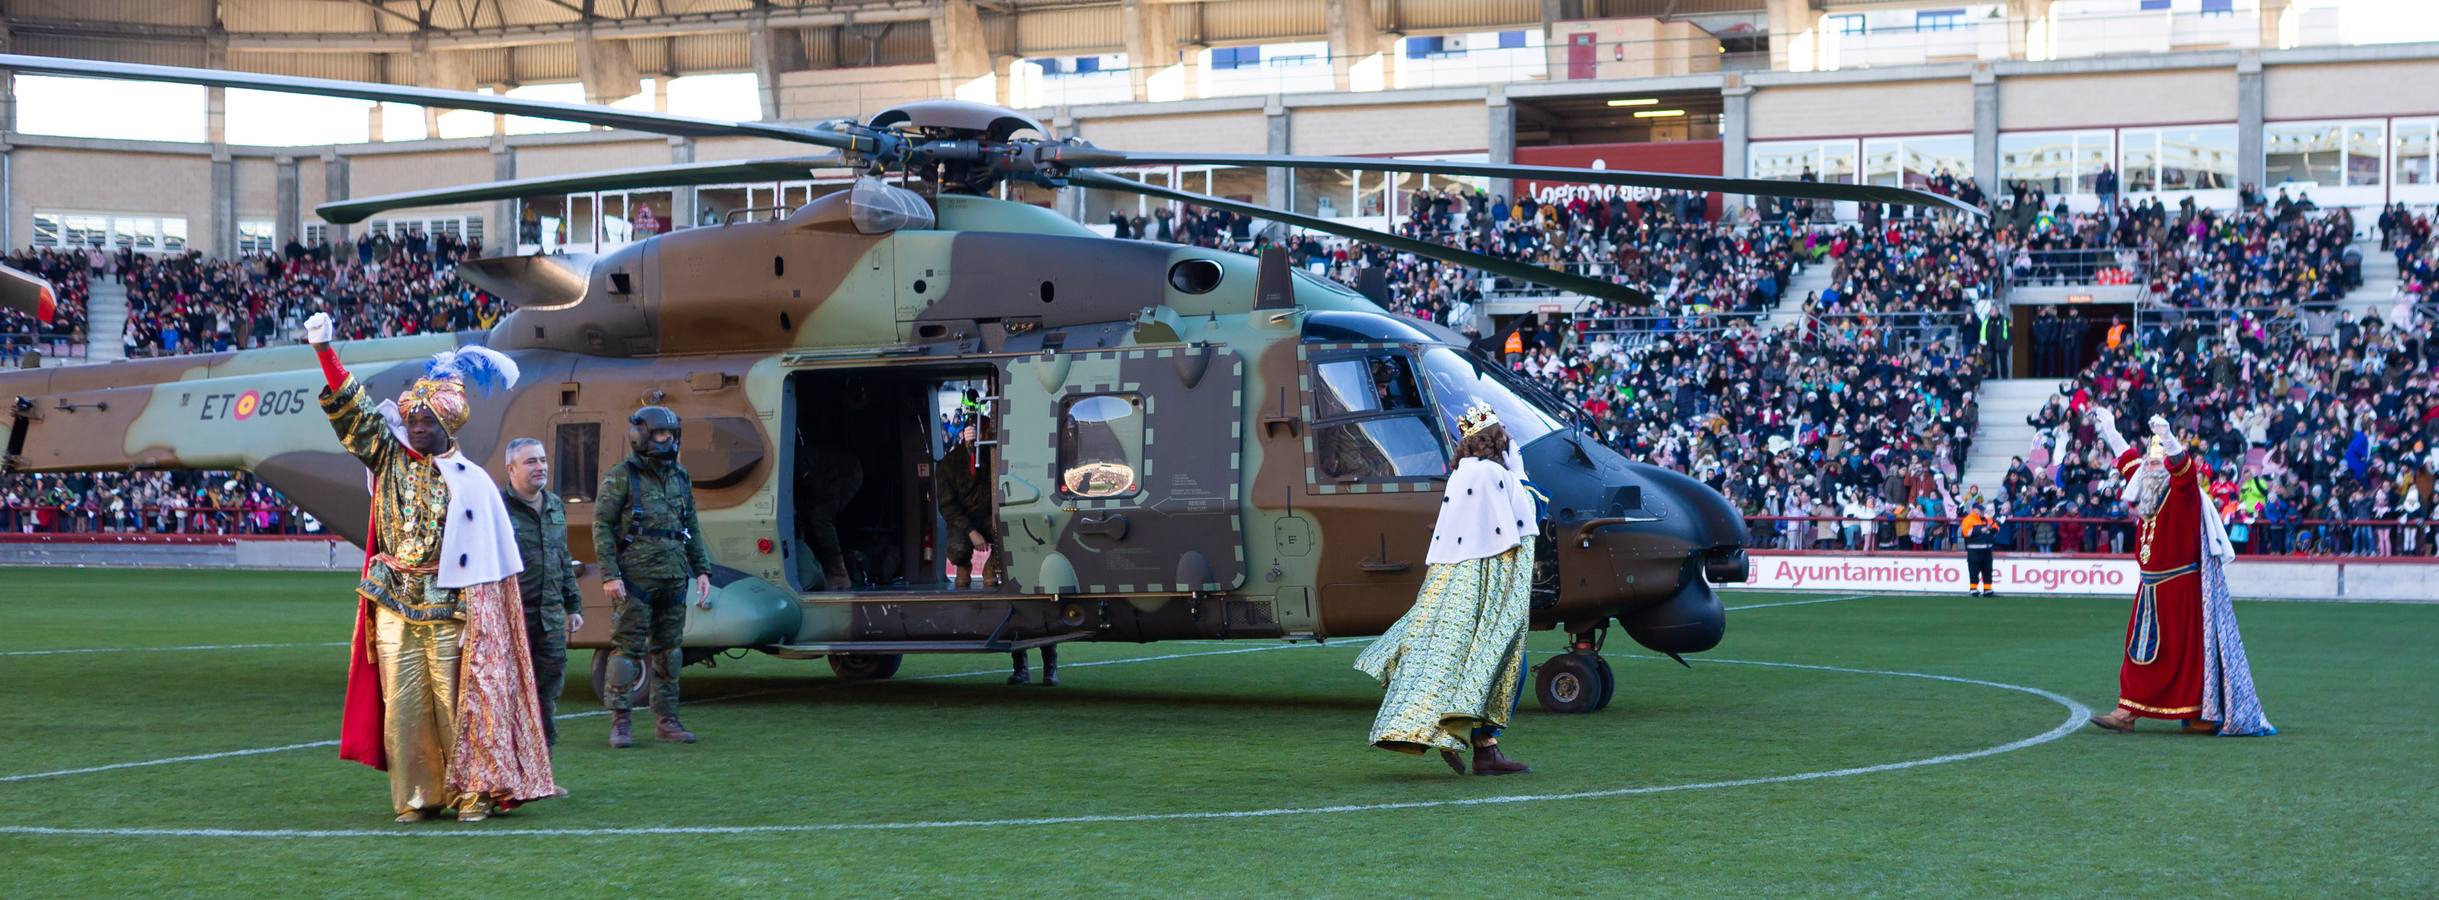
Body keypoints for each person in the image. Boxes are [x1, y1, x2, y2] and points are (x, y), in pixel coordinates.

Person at [306, 311, 556, 823]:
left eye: (426, 422)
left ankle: (474, 792)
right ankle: (419, 797)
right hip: (394, 597)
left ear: (446, 426)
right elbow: (354, 416)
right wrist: (325, 352)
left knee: (459, 703)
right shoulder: (387, 456)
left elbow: (491, 563)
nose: (415, 428)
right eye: (412, 420)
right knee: (403, 706)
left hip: (451, 604)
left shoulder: (473, 481)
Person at [1354, 400, 1538, 776]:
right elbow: (1530, 514)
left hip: (1451, 577)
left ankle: (1478, 745)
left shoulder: (1461, 474)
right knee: (1501, 660)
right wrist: (1520, 476)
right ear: (1495, 439)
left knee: (1452, 658)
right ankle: (1480, 745)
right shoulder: (1491, 474)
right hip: (1485, 578)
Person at [2083, 406, 2274, 737]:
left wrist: (2168, 438)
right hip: (2150, 588)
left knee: (2183, 656)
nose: (2152, 467)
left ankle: (2191, 714)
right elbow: (2128, 460)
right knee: (2143, 651)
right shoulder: (2145, 487)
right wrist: (2111, 430)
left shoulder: (2182, 492)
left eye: (2158, 463)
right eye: (2150, 462)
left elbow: (2184, 469)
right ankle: (2127, 711)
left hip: (2179, 587)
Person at [594, 405, 714, 749]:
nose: (668, 440)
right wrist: (609, 574)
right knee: (626, 653)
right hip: (635, 579)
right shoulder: (622, 475)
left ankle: (667, 720)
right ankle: (620, 721)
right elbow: (601, 524)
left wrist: (701, 569)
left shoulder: (680, 476)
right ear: (643, 436)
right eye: (662, 434)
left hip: (675, 576)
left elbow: (690, 524)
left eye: (672, 434)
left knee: (670, 653)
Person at [502, 437, 584, 754]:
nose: (541, 467)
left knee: (547, 695)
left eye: (543, 460)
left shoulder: (554, 505)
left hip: (548, 620)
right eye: (531, 462)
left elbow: (562, 557)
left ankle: (543, 772)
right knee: (511, 695)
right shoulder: (498, 509)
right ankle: (509, 775)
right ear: (511, 468)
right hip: (513, 619)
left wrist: (573, 604)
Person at [1961, 501, 1999, 596]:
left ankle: (1987, 589)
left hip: (1987, 549)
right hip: (1974, 550)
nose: (1982, 512)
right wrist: (1981, 530)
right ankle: (1973, 588)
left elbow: (1996, 528)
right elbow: (1966, 532)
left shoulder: (1986, 519)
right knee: (1974, 569)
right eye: (1980, 510)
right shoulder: (1968, 519)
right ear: (1974, 510)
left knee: (1987, 569)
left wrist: (1989, 528)